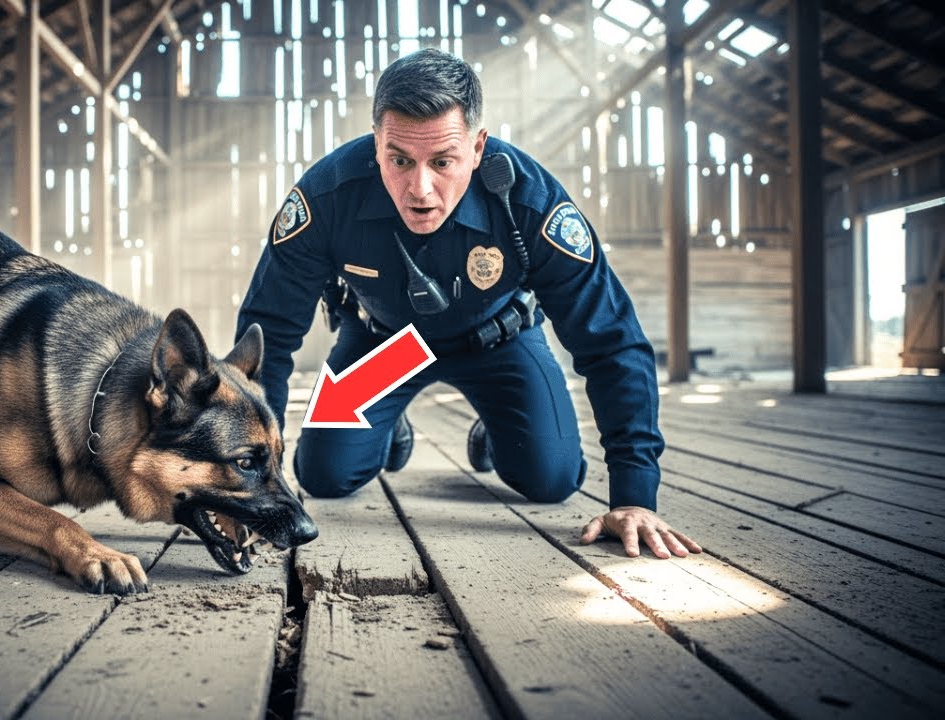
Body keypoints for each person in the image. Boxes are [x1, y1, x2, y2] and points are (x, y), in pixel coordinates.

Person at [235, 48, 701, 560]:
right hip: (386, 350)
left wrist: (634, 496)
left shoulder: (531, 202)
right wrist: (253, 492)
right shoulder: (327, 196)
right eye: (399, 160)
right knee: (322, 475)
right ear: (376, 143)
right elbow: (268, 334)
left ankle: (495, 430)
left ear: (478, 147)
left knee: (552, 479)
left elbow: (611, 340)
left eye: (442, 162)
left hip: (498, 342)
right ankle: (391, 429)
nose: (420, 189)